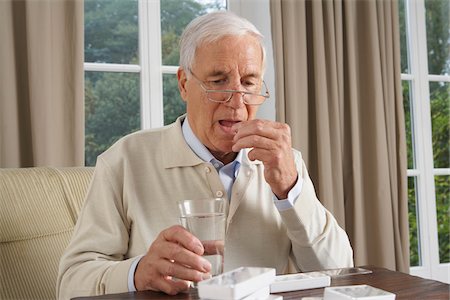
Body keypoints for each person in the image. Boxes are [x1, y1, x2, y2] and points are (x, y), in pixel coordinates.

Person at [57, 11, 353, 299]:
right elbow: (70, 283)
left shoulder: (285, 164)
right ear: (184, 84)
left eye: (249, 82)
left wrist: (291, 189)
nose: (236, 102)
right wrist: (137, 273)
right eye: (218, 80)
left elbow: (341, 272)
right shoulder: (124, 160)